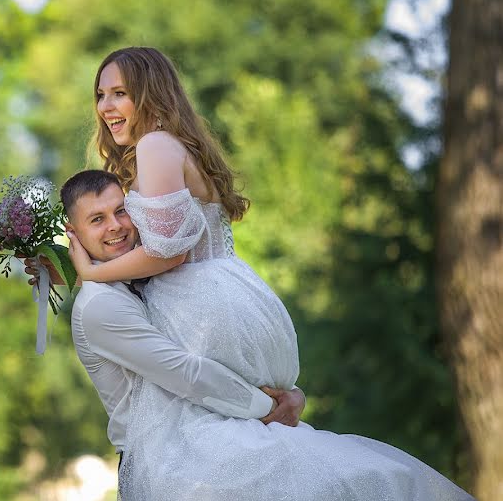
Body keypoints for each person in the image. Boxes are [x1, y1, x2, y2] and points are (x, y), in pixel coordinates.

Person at [63, 46, 473, 500]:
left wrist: (92, 274)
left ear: (150, 94)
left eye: (119, 93)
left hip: (199, 304)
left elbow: (167, 253)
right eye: (101, 95)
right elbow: (139, 247)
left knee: (216, 456)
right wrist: (64, 264)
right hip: (233, 294)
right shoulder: (173, 147)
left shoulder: (155, 145)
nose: (106, 107)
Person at [29, 170, 307, 472]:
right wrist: (272, 408)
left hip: (202, 441)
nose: (115, 226)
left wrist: (291, 394)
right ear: (73, 232)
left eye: (121, 211)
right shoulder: (100, 306)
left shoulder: (139, 278)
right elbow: (186, 373)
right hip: (160, 465)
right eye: (97, 219)